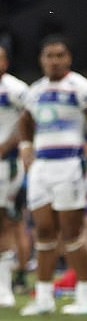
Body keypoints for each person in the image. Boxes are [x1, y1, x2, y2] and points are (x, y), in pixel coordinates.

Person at [18, 34, 87, 316]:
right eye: (49, 56)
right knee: (44, 231)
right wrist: (25, 146)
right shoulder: (34, 91)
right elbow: (25, 120)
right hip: (41, 167)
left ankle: (84, 294)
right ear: (41, 60)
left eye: (60, 55)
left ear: (68, 58)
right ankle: (44, 296)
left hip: (69, 166)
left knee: (71, 232)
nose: (55, 60)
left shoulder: (81, 87)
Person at [0, 45, 28, 307]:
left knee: (6, 220)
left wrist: (7, 146)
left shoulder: (17, 89)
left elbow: (28, 122)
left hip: (6, 164)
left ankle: (6, 286)